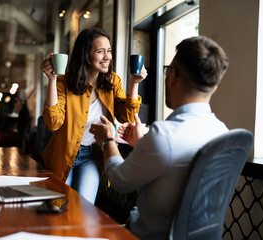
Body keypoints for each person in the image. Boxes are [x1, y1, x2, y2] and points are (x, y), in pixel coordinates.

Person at [89, 36, 229, 239]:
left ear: (172, 77)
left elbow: (120, 181)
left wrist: (108, 140)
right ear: (214, 86)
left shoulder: (164, 135)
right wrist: (141, 145)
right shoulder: (222, 133)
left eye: (168, 70)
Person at [40, 28, 147, 204]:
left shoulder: (113, 81)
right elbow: (53, 123)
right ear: (85, 54)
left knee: (83, 208)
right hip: (63, 155)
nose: (107, 57)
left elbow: (127, 117)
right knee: (56, 207)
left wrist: (134, 83)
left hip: (92, 155)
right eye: (100, 51)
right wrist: (52, 80)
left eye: (109, 51)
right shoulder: (63, 82)